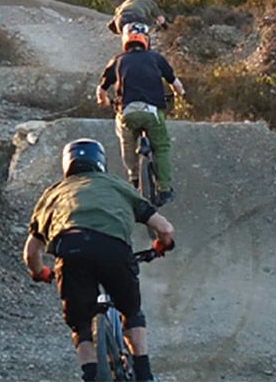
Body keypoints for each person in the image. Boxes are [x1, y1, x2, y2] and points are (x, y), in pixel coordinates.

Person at [24, 139, 175, 382]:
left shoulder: (53, 194)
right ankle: (145, 374)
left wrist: (40, 272)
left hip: (70, 253)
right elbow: (165, 228)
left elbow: (31, 253)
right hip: (113, 250)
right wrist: (161, 245)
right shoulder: (115, 185)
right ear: (100, 162)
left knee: (80, 323)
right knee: (132, 312)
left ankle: (91, 374)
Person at [97, 23, 186, 206]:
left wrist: (104, 102)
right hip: (152, 113)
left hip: (127, 112)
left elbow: (101, 89)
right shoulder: (156, 58)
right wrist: (180, 94)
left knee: (126, 141)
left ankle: (134, 178)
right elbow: (176, 84)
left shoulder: (117, 60)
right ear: (146, 40)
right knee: (161, 147)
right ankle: (164, 190)